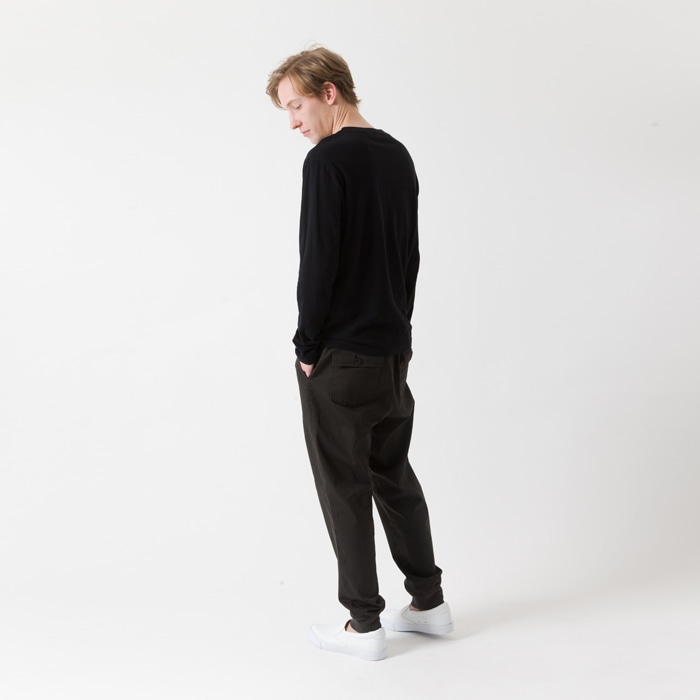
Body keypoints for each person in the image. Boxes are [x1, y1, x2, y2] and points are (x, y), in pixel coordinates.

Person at [266, 46, 453, 661]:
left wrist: (306, 346)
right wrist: (398, 332)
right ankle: (429, 604)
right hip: (391, 349)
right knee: (392, 474)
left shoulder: (327, 160)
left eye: (296, 106)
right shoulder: (397, 155)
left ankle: (363, 625)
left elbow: (317, 261)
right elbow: (409, 257)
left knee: (343, 486)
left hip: (341, 355)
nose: (293, 122)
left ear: (329, 93)